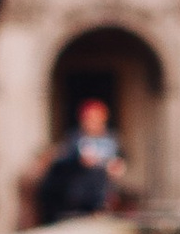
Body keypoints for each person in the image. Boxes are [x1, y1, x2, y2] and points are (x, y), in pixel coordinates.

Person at [38, 96, 127, 225]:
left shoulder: (112, 139)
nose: (93, 123)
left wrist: (117, 167)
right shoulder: (75, 139)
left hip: (104, 193)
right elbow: (63, 162)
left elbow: (119, 161)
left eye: (96, 119)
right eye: (89, 119)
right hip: (78, 197)